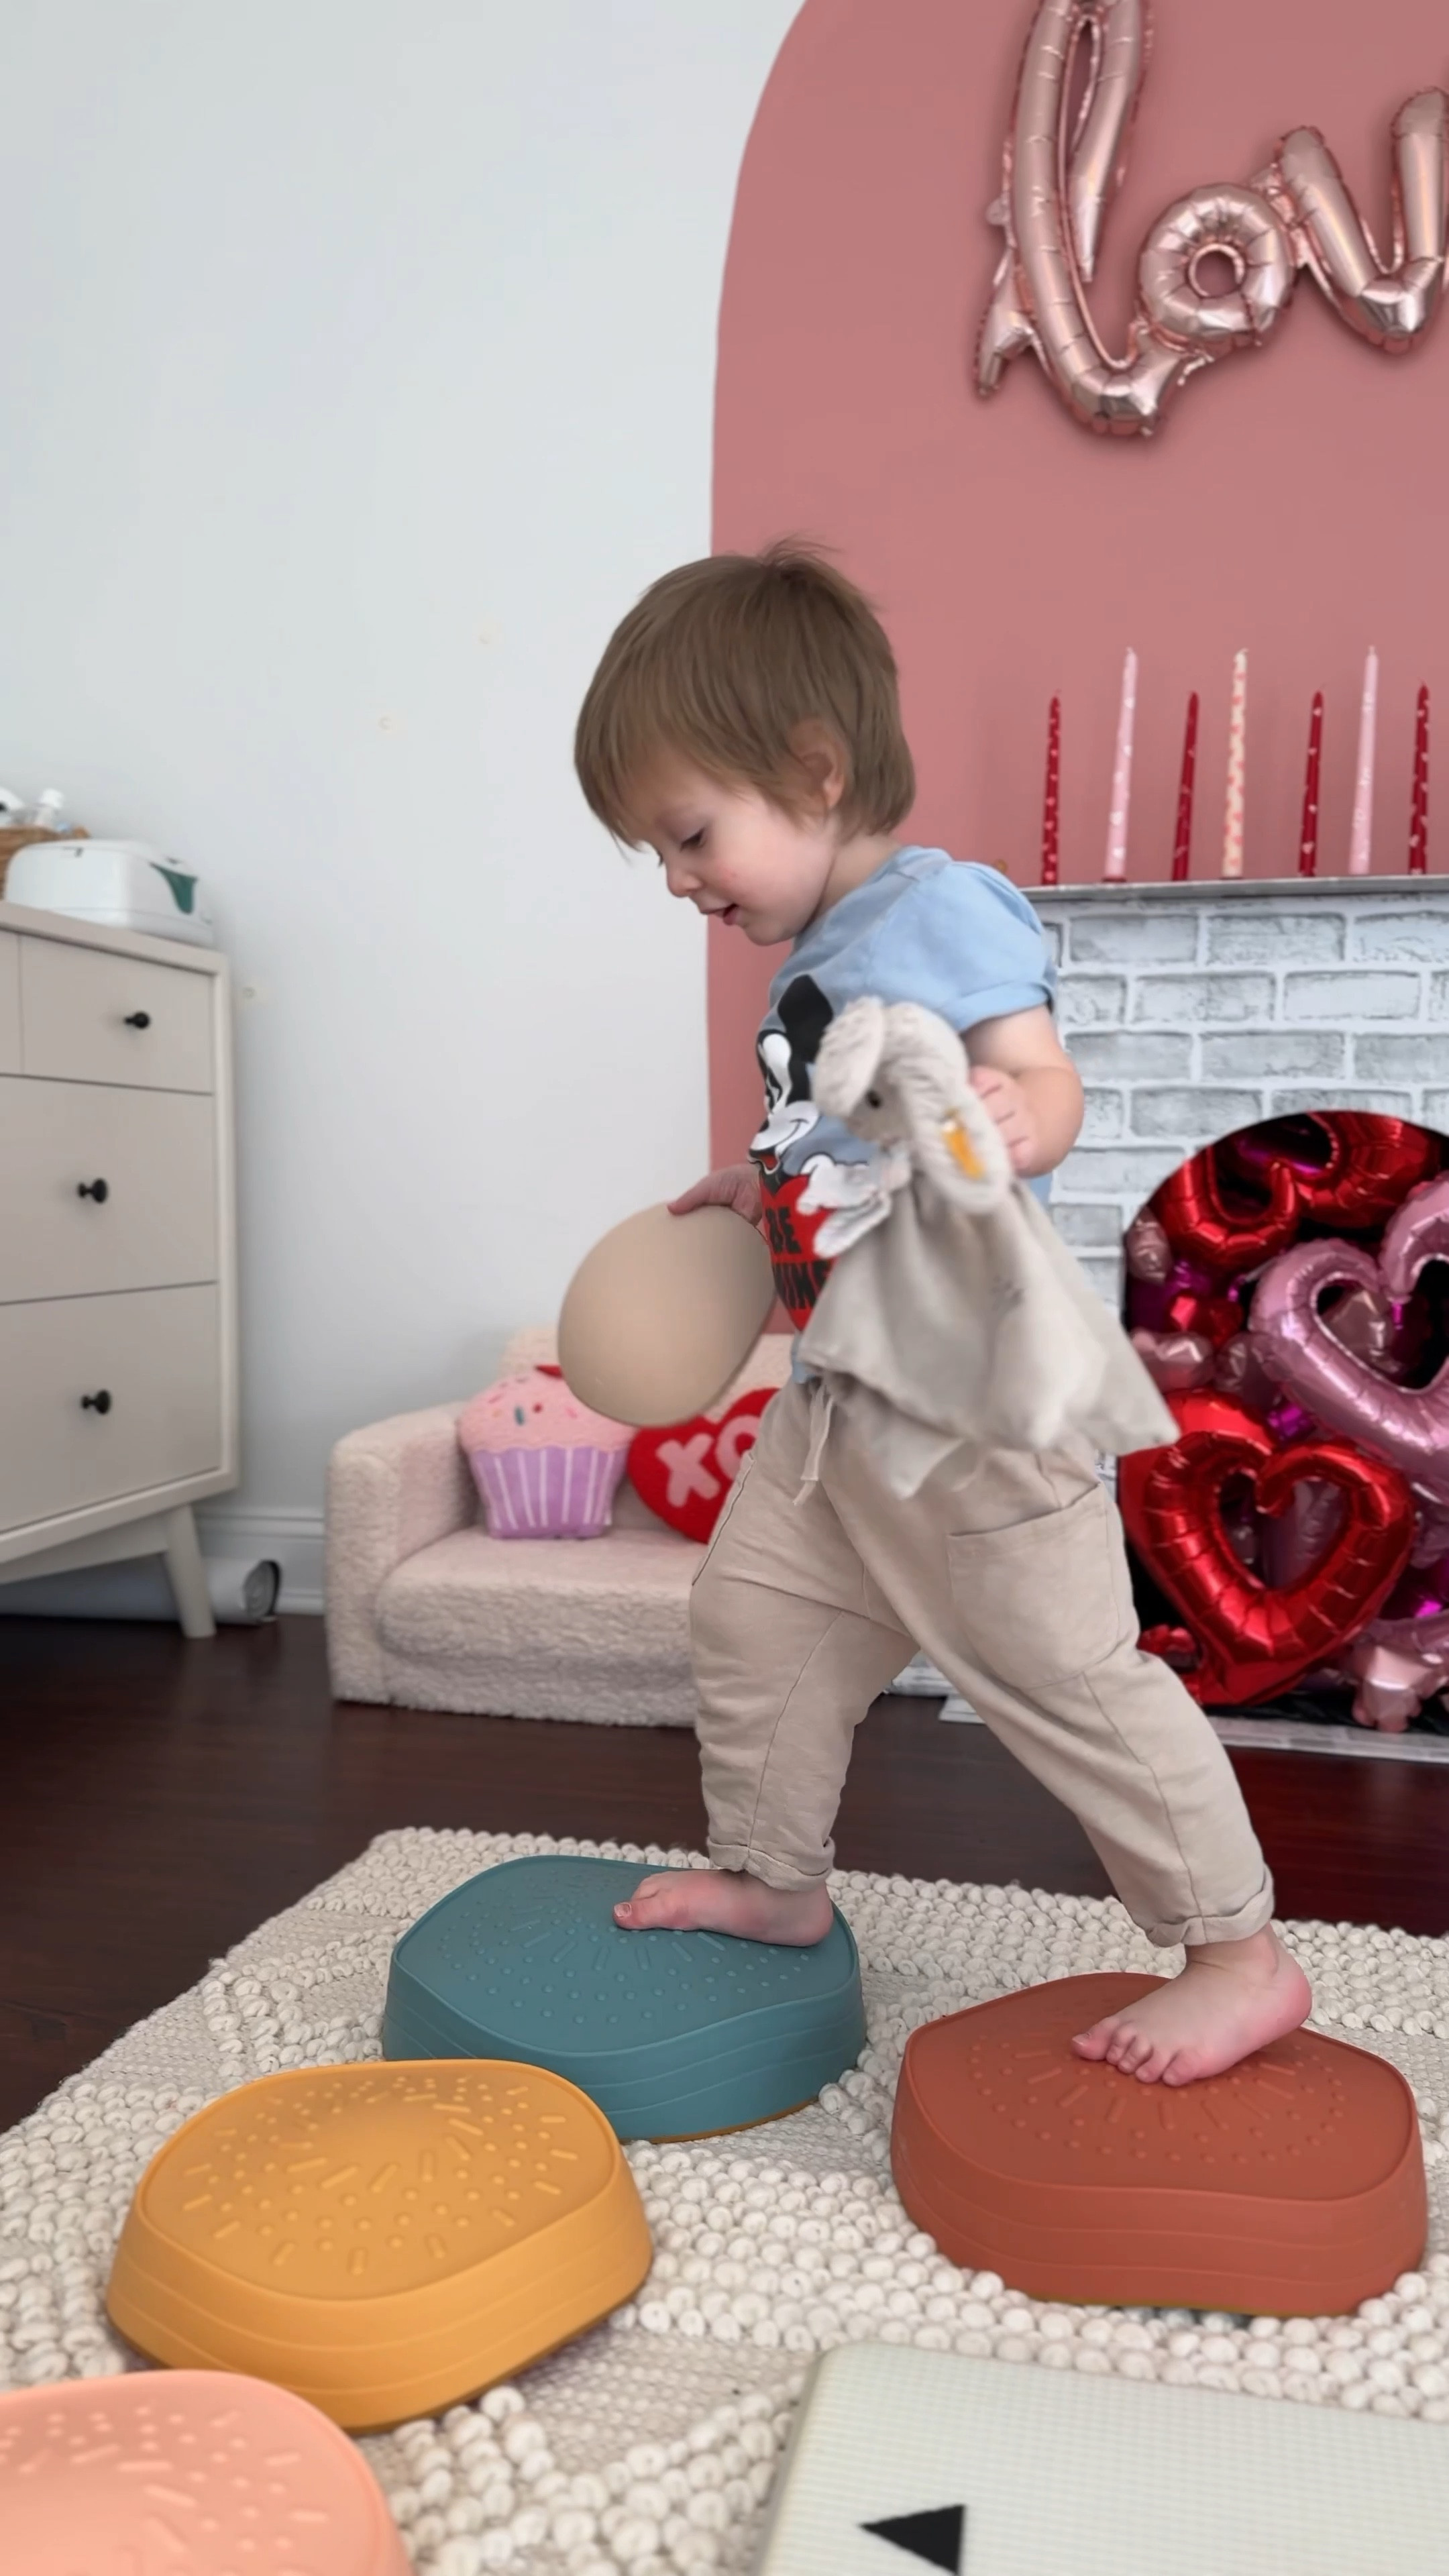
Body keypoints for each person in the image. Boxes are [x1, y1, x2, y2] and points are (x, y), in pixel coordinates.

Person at [572, 542, 1309, 2088]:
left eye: (691, 833)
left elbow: (1042, 1083)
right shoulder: (815, 969)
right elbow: (838, 1144)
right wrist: (748, 1180)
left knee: (1064, 1677)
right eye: (655, 852)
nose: (678, 879)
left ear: (815, 768)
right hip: (846, 1397)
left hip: (972, 1399)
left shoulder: (940, 905)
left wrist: (1013, 1117)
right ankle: (776, 1880)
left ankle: (1238, 1953)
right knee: (755, 1618)